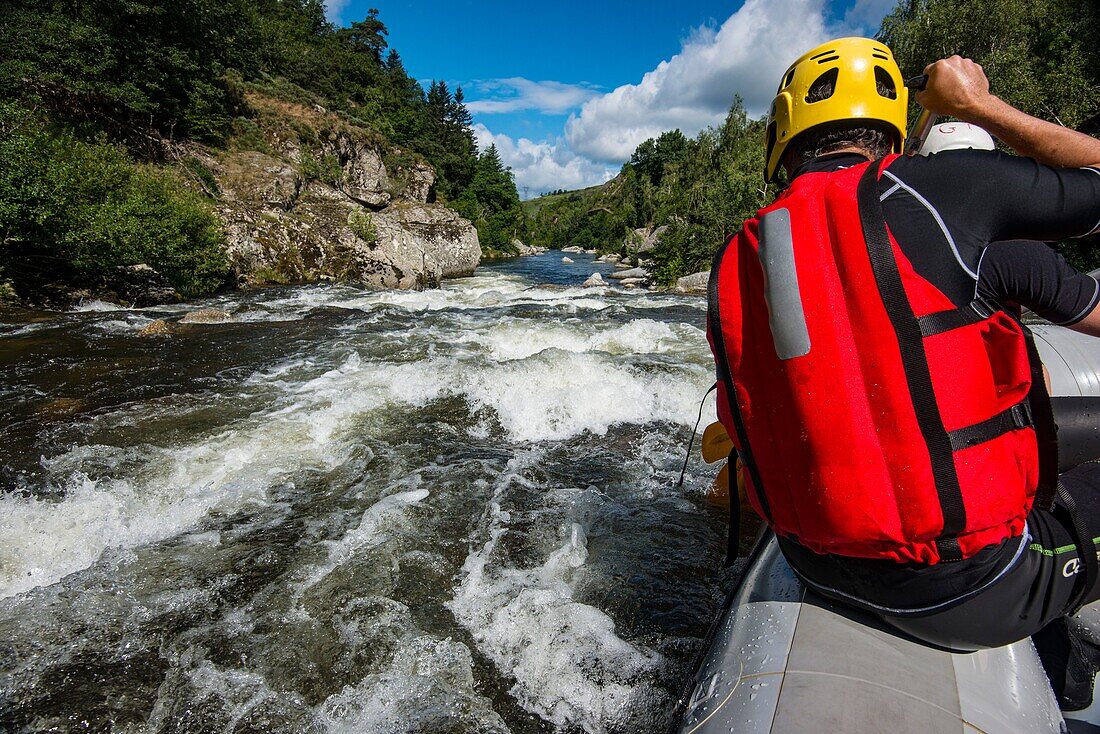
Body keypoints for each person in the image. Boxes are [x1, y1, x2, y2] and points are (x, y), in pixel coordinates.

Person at [707, 36, 1100, 691]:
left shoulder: (735, 260)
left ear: (784, 136)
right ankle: (1077, 656)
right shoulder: (944, 190)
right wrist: (983, 106)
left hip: (816, 568)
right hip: (974, 589)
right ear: (892, 134)